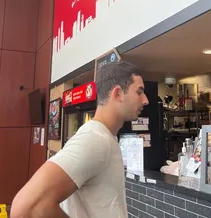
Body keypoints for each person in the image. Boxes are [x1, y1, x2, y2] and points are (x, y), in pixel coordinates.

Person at [11, 61, 149, 218]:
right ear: (117, 94)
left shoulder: (105, 137)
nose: (145, 100)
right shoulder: (95, 139)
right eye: (139, 92)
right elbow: (28, 207)